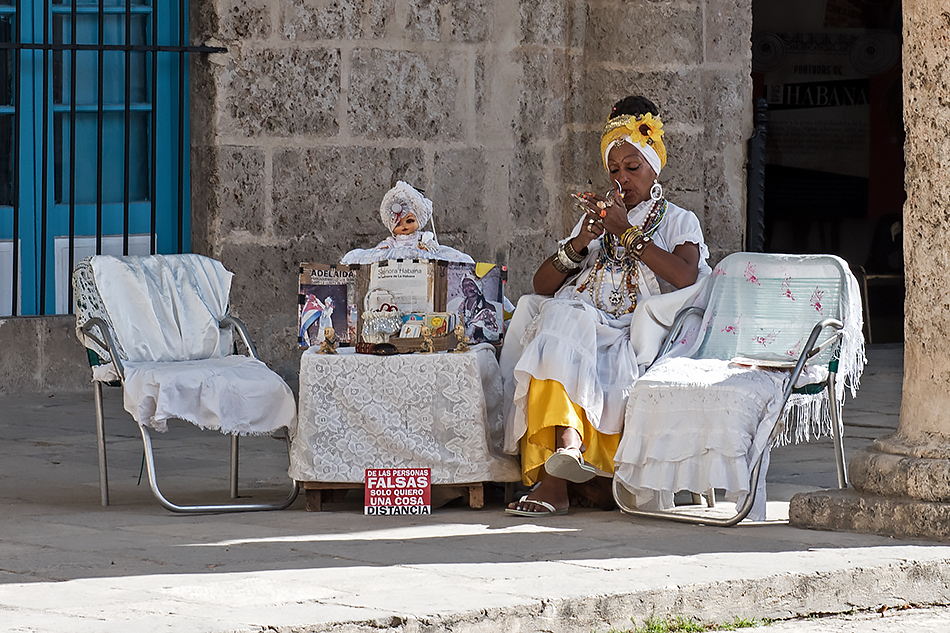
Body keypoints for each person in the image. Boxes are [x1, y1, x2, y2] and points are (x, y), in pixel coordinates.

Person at [501, 95, 712, 517]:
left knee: (562, 324)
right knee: (557, 317)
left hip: (640, 330)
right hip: (583, 322)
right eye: (614, 170)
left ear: (655, 166)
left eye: (632, 168)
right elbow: (541, 284)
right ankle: (567, 451)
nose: (622, 179)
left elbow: (687, 276)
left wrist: (628, 234)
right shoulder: (597, 219)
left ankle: (557, 480)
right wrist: (582, 241)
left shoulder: (677, 220)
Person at [341, 181, 475, 265]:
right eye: (397, 224)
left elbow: (433, 249)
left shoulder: (423, 238)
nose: (404, 226)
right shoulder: (391, 243)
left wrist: (426, 248)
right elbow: (380, 252)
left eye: (409, 221)